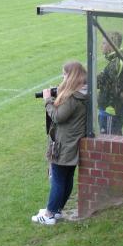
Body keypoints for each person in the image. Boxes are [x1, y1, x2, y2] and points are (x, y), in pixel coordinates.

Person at [32, 61, 88, 225]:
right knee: (66, 177)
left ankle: (49, 214)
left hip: (65, 144)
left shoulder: (73, 98)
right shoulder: (82, 93)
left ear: (71, 76)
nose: (62, 77)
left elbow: (57, 117)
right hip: (73, 141)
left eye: (64, 74)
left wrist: (48, 100)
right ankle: (56, 210)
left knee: (57, 178)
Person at [96, 31, 123, 135]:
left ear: (111, 45)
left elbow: (102, 83)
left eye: (104, 43)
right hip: (111, 111)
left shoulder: (116, 63)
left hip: (109, 112)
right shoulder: (118, 59)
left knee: (107, 143)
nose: (101, 46)